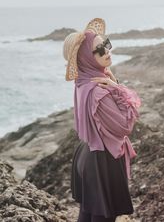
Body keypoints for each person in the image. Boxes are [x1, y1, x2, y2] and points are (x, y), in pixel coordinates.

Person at [63, 18, 141, 222]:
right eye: (99, 50)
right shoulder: (99, 90)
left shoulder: (83, 82)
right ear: (85, 57)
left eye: (106, 44)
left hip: (86, 153)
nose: (107, 51)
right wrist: (117, 88)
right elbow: (125, 126)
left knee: (87, 214)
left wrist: (113, 82)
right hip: (103, 160)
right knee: (103, 218)